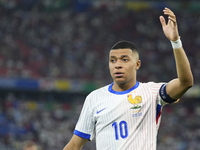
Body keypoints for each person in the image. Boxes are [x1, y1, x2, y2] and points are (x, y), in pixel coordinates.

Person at [63, 7, 193, 150]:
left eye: (124, 60)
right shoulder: (94, 98)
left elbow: (185, 83)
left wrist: (175, 42)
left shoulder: (152, 92)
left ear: (137, 64)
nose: (117, 65)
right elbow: (75, 145)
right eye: (113, 60)